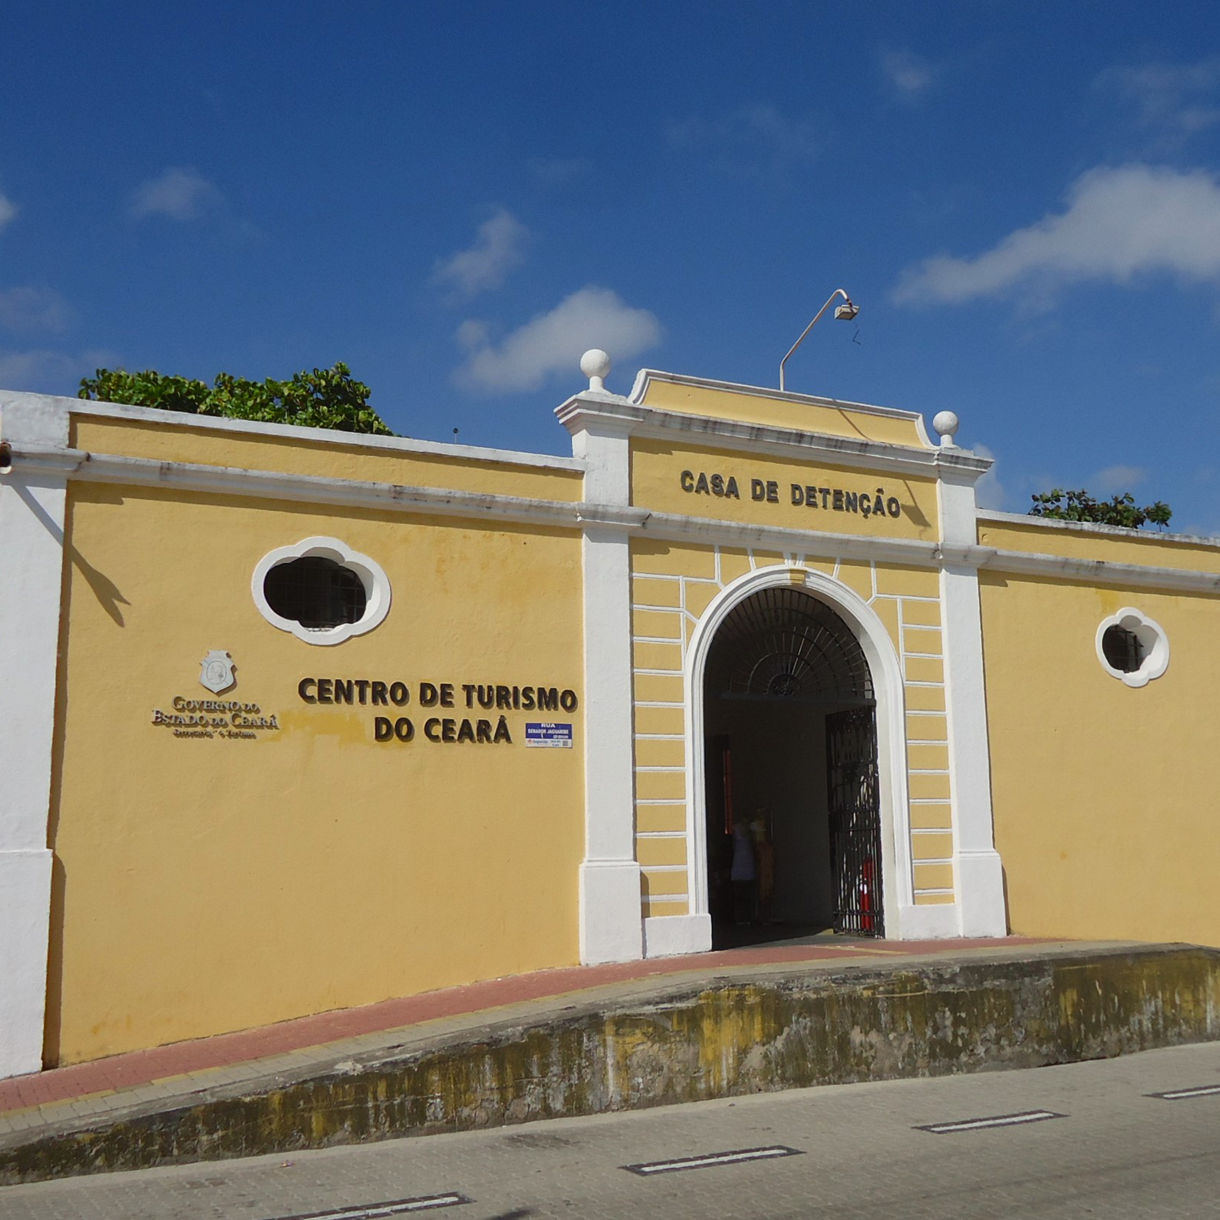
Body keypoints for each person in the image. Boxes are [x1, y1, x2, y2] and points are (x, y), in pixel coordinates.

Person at [730, 821, 756, 924]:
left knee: (746, 897)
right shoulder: (738, 832)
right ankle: (740, 918)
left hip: (746, 868)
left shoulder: (749, 834)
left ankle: (746, 918)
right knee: (740, 897)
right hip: (739, 869)